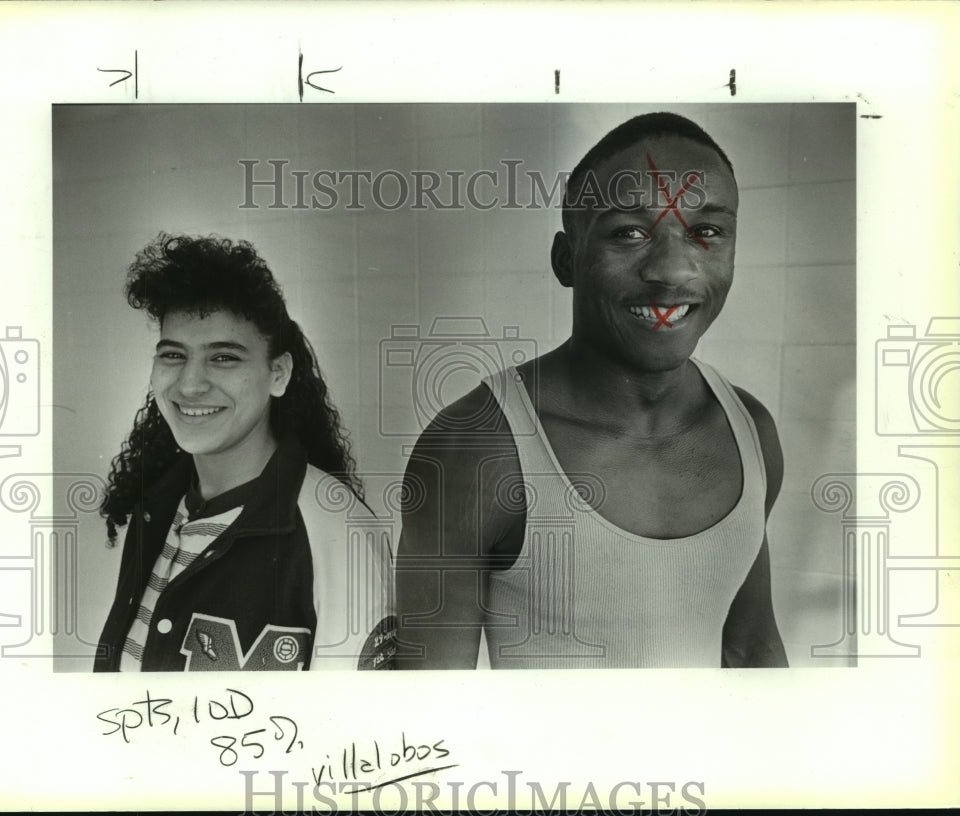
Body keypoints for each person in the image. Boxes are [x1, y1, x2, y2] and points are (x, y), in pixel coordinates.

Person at [395, 112, 788, 669]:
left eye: (706, 232)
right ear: (565, 260)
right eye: (629, 231)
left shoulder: (751, 430)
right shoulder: (476, 447)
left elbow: (750, 649)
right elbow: (426, 714)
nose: (673, 270)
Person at [94, 233, 394, 672]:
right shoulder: (154, 509)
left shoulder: (339, 531)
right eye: (174, 354)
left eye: (224, 358)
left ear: (278, 373)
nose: (190, 384)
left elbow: (357, 730)